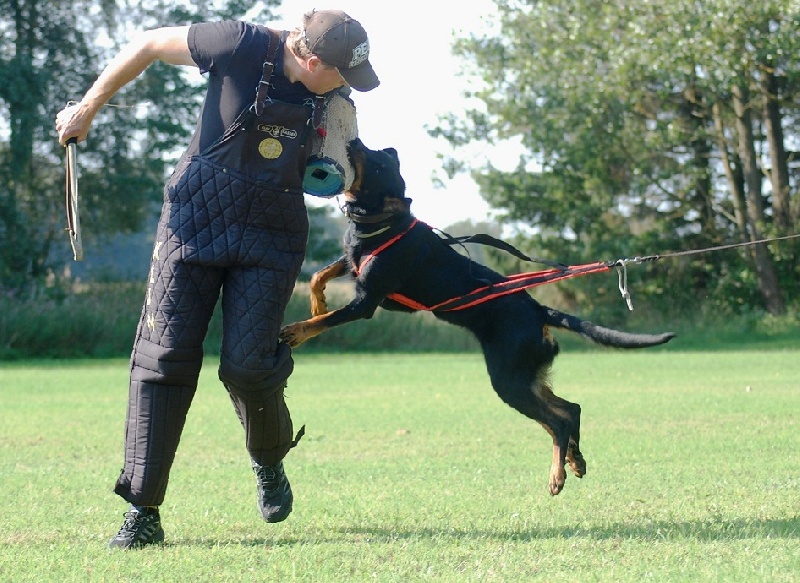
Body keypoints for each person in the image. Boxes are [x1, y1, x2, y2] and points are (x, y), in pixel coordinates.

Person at [55, 9, 379, 550]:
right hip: (193, 219)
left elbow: (346, 171)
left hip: (273, 232)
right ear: (312, 58)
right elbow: (151, 44)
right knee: (164, 360)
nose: (349, 84)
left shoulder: (333, 99)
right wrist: (88, 109)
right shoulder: (239, 43)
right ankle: (143, 511)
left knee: (251, 366)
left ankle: (269, 461)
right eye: (343, 71)